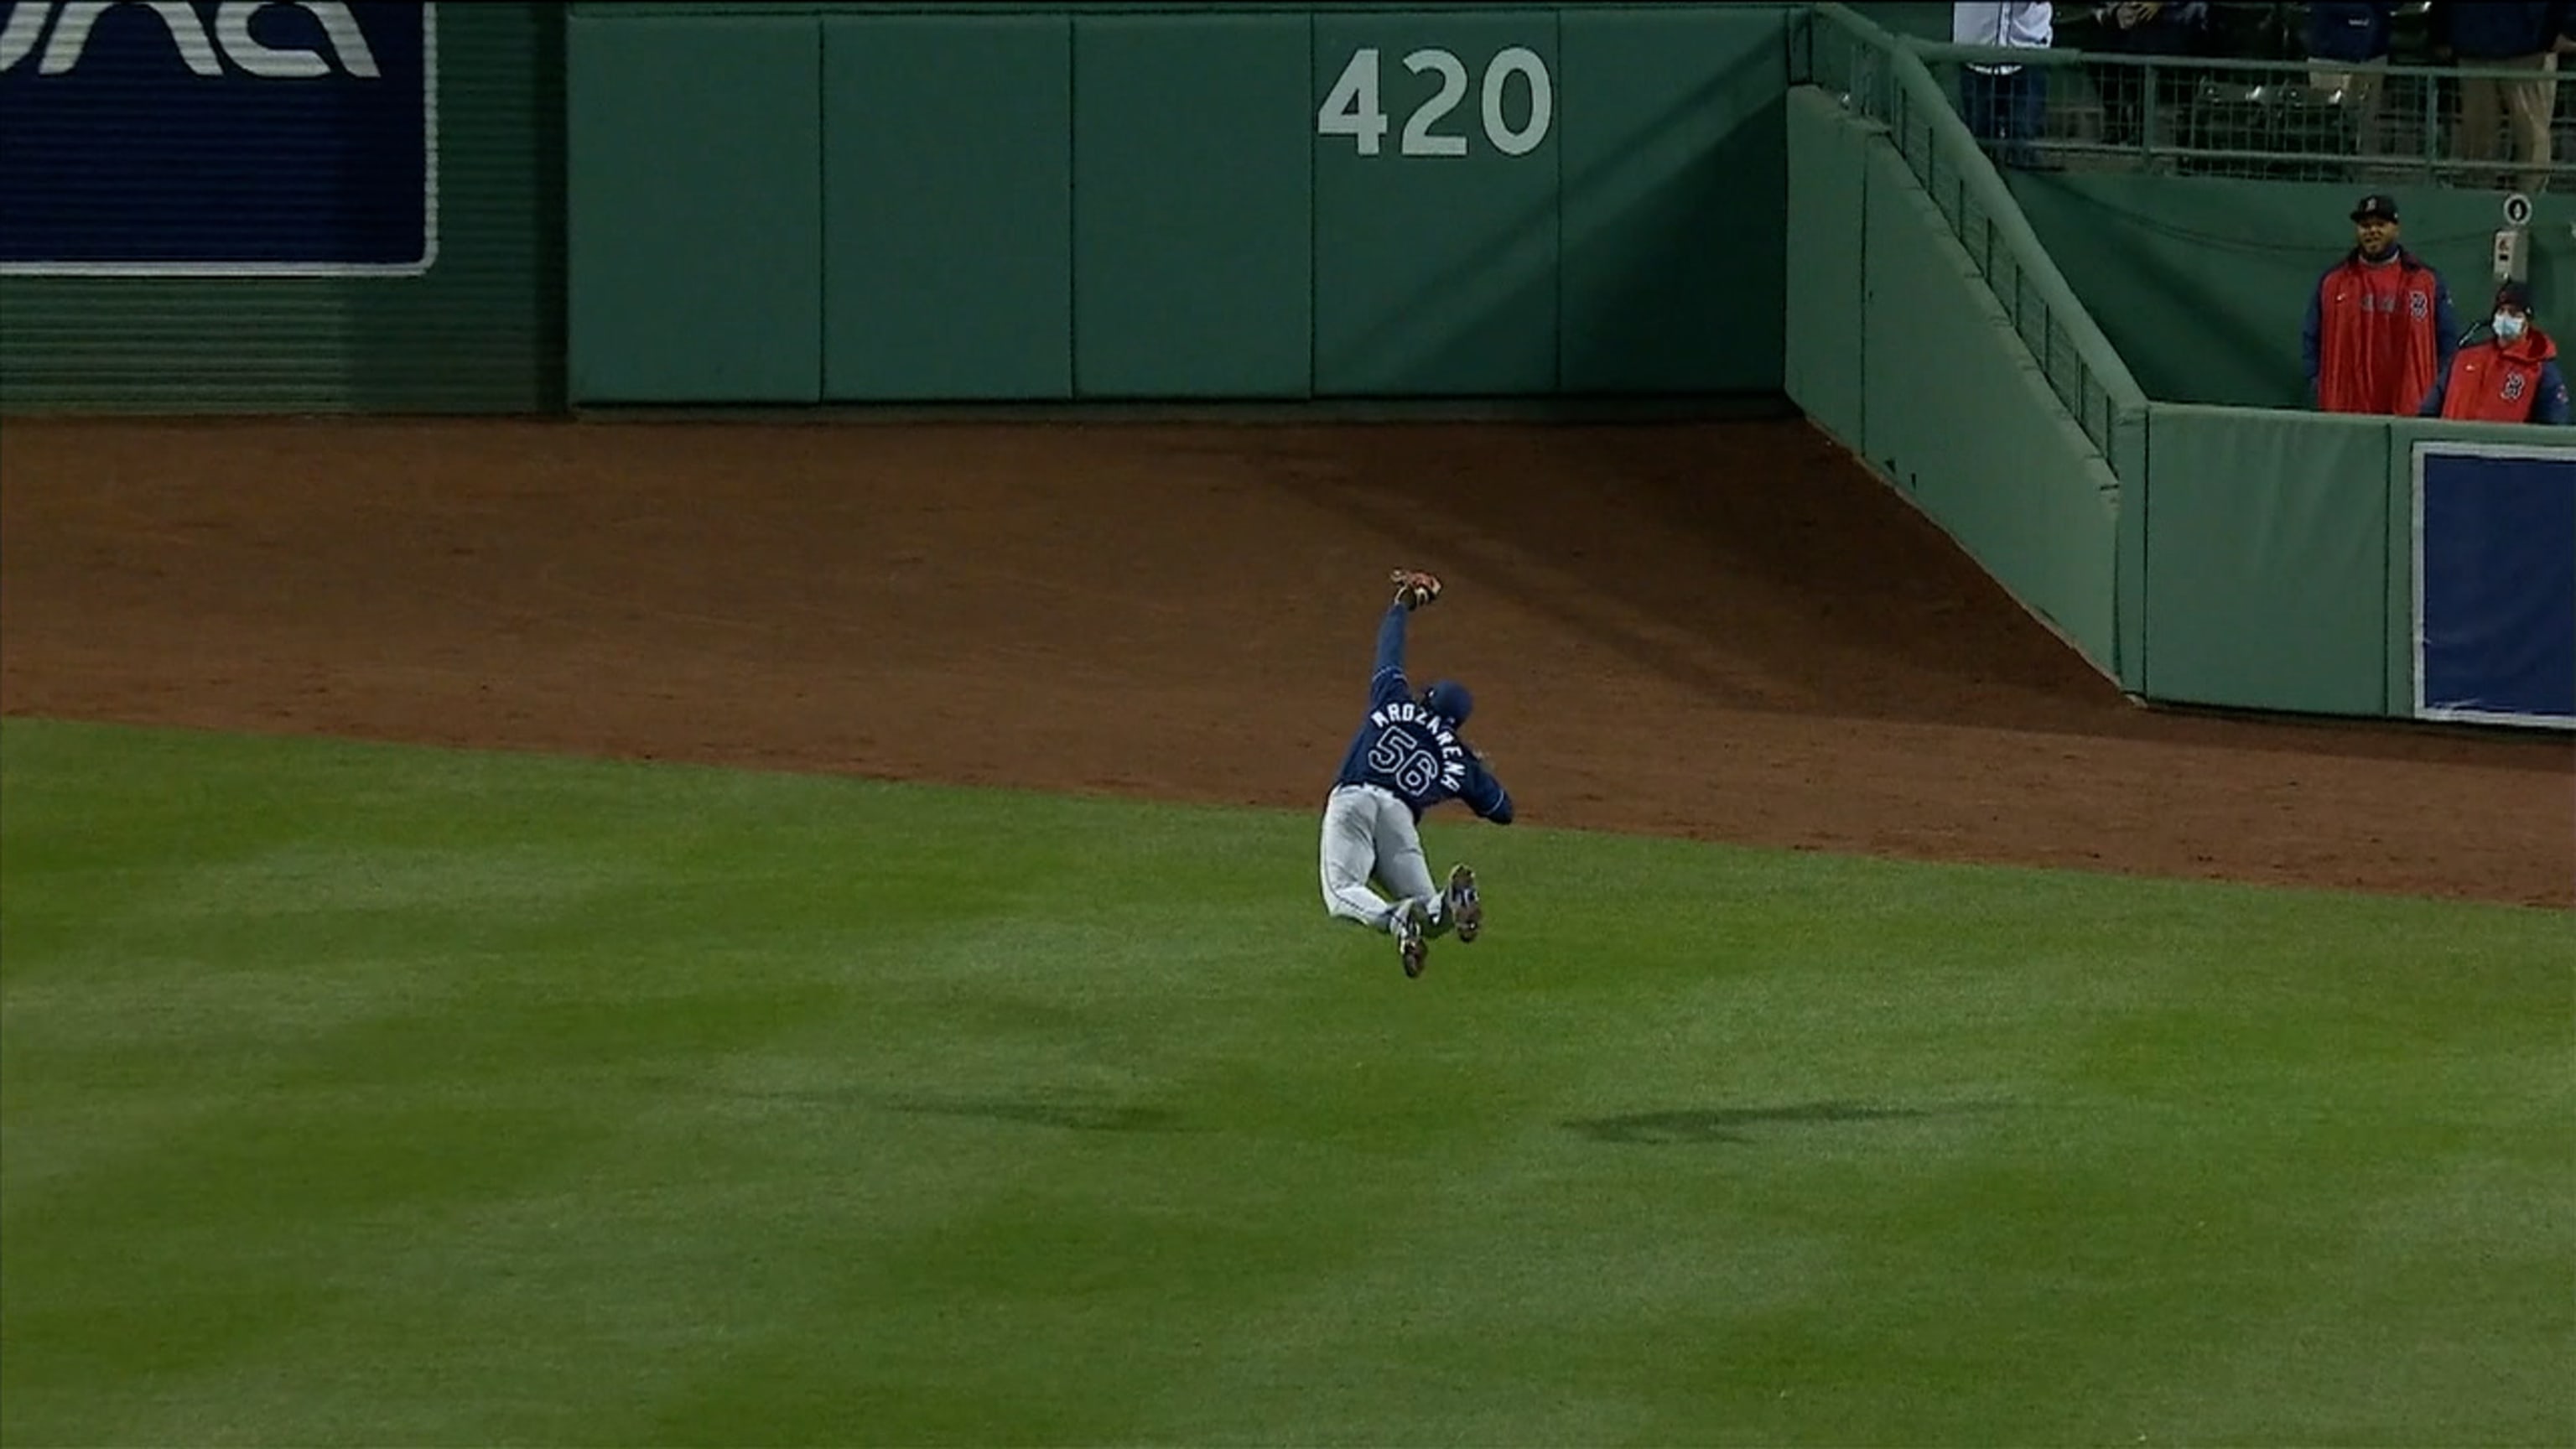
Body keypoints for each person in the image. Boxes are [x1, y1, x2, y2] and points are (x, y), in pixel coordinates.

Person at [1319, 569, 1513, 979]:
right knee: (1433, 914)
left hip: (1354, 801)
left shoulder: (1392, 696)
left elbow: (1389, 648)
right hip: (1399, 820)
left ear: (1427, 698)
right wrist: (1474, 767)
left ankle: (1396, 919)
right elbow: (1502, 810)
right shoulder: (1457, 759)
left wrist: (1405, 601)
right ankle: (1449, 901)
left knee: (1341, 893)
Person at [2303, 193, 2459, 415]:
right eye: (2365, 225)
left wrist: (2435, 394)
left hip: (2408, 412)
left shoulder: (2426, 281)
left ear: (2396, 229)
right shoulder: (2332, 282)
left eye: (2380, 224)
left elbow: (2448, 343)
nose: (2372, 231)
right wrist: (2319, 385)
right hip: (2344, 411)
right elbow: (2311, 338)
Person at [2430, 1, 2576, 192]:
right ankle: (2480, 201)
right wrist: (2441, 31)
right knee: (2479, 135)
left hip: (2530, 45)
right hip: (2475, 42)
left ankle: (2529, 204)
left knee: (2531, 133)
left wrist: (2570, 28)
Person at [2418, 282, 2572, 424]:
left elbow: (2554, 425)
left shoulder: (2539, 369)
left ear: (2527, 320)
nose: (2506, 317)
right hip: (2449, 449)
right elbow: (2428, 411)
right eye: (2501, 311)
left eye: (2514, 313)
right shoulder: (2464, 358)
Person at [1953, 2, 2054, 169]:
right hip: (1976, 50)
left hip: (2029, 48)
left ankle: (2023, 192)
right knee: (1980, 144)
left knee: (2024, 140)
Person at [2304, 3, 2398, 161]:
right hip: (2329, 55)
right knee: (2329, 128)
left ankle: (2361, 175)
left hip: (2372, 54)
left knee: (2366, 127)